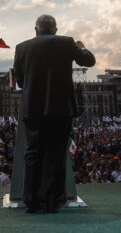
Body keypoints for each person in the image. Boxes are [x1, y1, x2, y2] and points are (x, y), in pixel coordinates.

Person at [13, 14, 95, 213]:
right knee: (57, 155)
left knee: (32, 155)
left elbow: (21, 82)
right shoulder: (67, 43)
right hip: (61, 109)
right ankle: (53, 203)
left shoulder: (22, 47)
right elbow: (89, 61)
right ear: (55, 30)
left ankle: (31, 202)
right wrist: (82, 46)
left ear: (35, 30)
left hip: (33, 109)